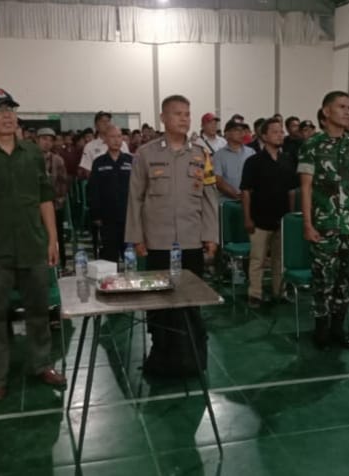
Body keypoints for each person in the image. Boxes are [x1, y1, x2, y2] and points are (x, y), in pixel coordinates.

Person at [0, 88, 65, 401]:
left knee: (39, 310)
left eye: (11, 110)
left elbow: (45, 198)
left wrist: (52, 239)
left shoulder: (32, 153)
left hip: (32, 244)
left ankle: (41, 363)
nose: (7, 116)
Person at [125, 94, 219, 377]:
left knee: (190, 302)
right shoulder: (146, 154)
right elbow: (135, 198)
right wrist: (137, 237)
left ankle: (190, 359)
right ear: (163, 118)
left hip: (191, 241)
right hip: (158, 242)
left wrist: (211, 235)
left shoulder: (200, 155)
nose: (184, 119)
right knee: (159, 304)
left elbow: (209, 199)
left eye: (187, 114)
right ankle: (162, 357)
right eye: (177, 113)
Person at [298, 91, 349, 350]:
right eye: (342, 107)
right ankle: (321, 331)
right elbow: (305, 187)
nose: (348, 111)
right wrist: (307, 224)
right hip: (324, 223)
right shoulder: (312, 144)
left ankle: (339, 329)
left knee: (346, 279)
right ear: (326, 112)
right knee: (322, 280)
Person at [240, 118, 296, 308]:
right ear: (264, 136)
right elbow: (245, 191)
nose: (280, 135)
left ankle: (278, 291)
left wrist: (290, 217)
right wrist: (247, 218)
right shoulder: (253, 161)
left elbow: (291, 191)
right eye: (275, 132)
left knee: (280, 259)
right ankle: (255, 294)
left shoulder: (287, 160)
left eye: (281, 131)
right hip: (259, 218)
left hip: (282, 218)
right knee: (258, 259)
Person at [88, 126, 133, 263]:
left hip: (128, 216)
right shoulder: (99, 162)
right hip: (107, 217)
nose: (116, 140)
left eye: (119, 136)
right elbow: (93, 190)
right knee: (109, 257)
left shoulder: (130, 160)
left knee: (129, 256)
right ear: (106, 140)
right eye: (112, 137)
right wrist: (96, 214)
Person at [37, 128, 68, 270]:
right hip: (35, 204)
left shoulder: (57, 160)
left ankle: (61, 263)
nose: (47, 143)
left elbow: (63, 182)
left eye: (50, 140)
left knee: (57, 234)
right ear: (37, 140)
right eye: (44, 139)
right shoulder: (31, 159)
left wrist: (60, 199)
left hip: (55, 203)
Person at [212, 119, 254, 202]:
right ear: (227, 134)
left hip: (250, 200)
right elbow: (219, 181)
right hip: (228, 202)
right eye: (237, 130)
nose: (241, 133)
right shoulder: (219, 155)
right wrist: (238, 196)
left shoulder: (251, 152)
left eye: (243, 130)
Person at [79, 112, 131, 178]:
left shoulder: (122, 144)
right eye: (103, 121)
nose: (106, 124)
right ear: (96, 126)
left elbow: (128, 165)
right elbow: (88, 171)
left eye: (108, 121)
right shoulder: (89, 146)